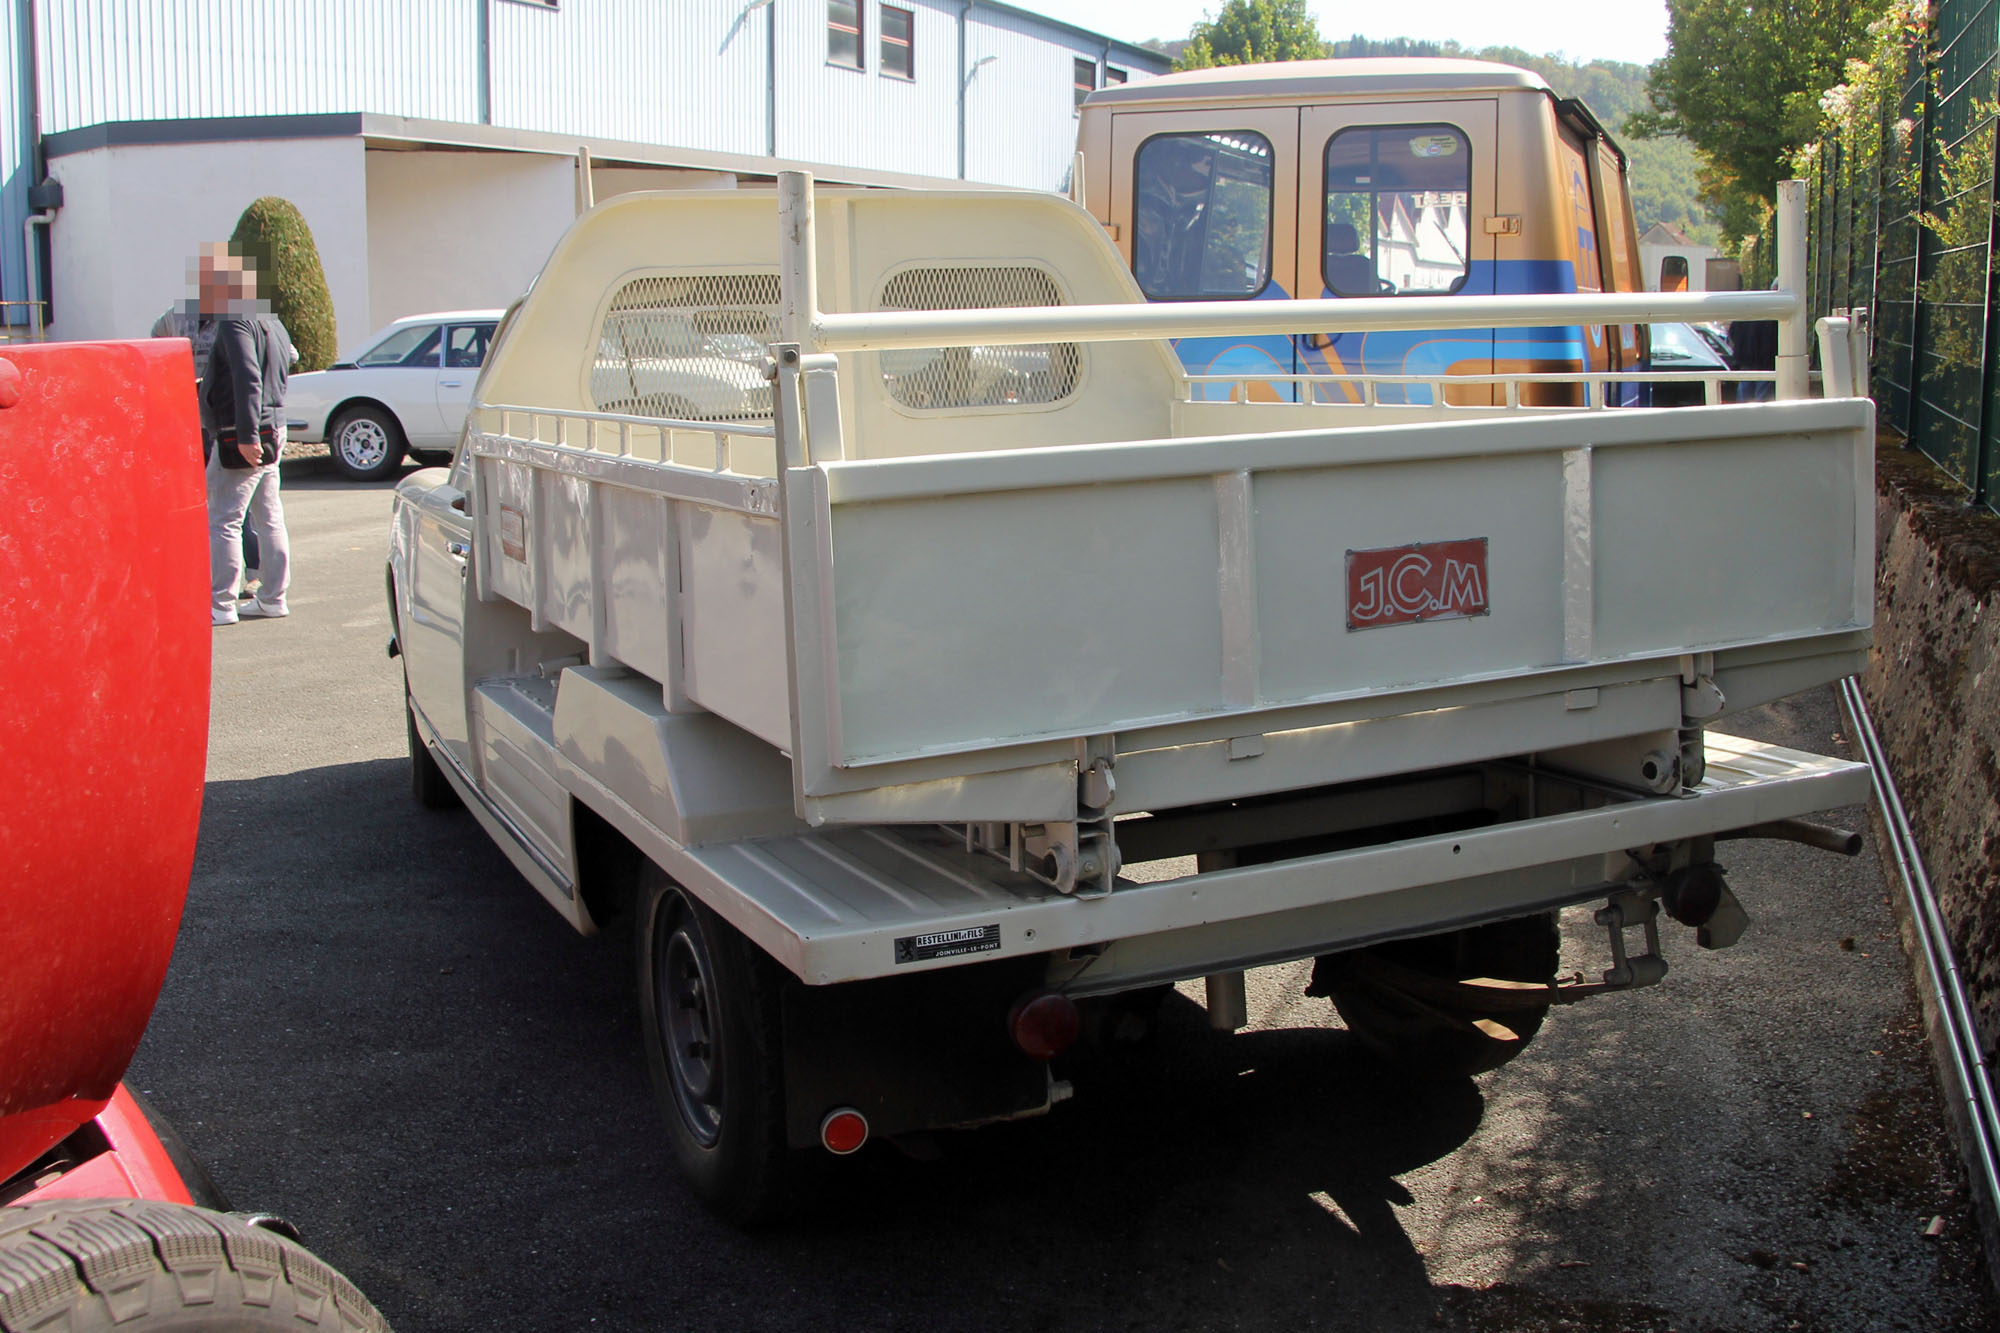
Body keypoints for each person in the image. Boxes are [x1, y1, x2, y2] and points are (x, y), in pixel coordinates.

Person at [201, 246, 291, 626]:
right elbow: (282, 368)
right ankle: (273, 597)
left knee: (224, 518)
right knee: (268, 516)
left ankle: (221, 603)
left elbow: (246, 375)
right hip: (274, 426)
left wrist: (246, 433)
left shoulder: (235, 320)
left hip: (244, 431)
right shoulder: (270, 320)